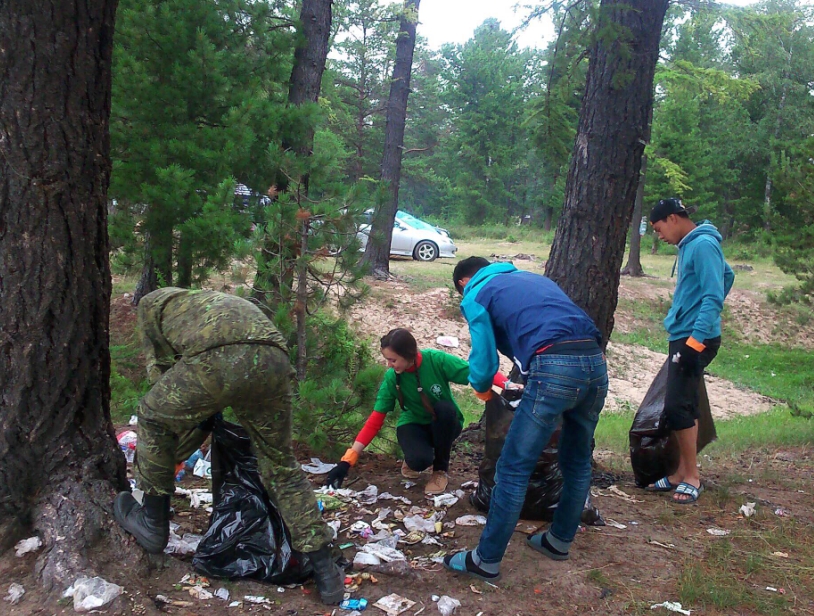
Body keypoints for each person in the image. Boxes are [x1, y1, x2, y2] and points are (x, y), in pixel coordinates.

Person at [113, 288, 344, 605]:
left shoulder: (151, 307)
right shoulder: (207, 304)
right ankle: (325, 569)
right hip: (274, 359)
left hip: (219, 358)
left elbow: (163, 375)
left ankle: (152, 524)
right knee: (281, 466)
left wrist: (167, 458)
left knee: (152, 416)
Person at [443, 257, 607, 581]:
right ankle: (558, 541)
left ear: (463, 282)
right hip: (595, 364)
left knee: (514, 467)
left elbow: (484, 360)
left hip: (555, 367)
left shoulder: (475, 293)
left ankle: (485, 560)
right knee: (576, 461)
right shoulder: (532, 280)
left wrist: (482, 390)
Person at [325, 328, 511, 495]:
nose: (389, 365)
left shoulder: (435, 360)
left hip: (444, 423)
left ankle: (440, 471)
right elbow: (375, 420)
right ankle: (418, 457)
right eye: (387, 360)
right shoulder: (392, 378)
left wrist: (508, 384)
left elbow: (477, 371)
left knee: (445, 409)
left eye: (393, 360)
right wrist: (347, 460)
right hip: (413, 424)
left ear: (409, 354)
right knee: (419, 460)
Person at [646, 198, 735, 504]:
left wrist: (695, 340)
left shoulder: (703, 245)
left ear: (673, 218)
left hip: (695, 339)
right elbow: (729, 276)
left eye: (659, 229)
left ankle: (692, 477)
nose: (659, 235)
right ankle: (680, 474)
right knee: (685, 403)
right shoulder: (691, 246)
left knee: (677, 406)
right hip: (684, 333)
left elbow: (714, 295)